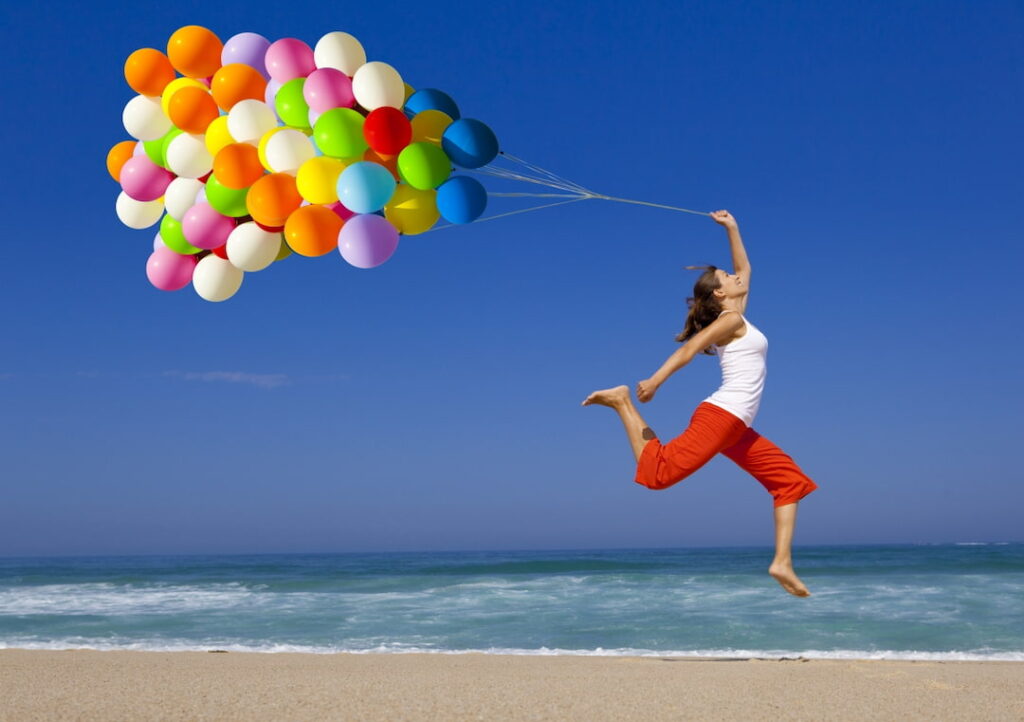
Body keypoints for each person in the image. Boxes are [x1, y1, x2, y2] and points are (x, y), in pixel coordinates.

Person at [582, 210, 818, 597]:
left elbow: (745, 266)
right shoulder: (729, 319)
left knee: (790, 482)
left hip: (737, 427)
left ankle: (782, 562)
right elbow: (691, 348)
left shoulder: (738, 312)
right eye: (727, 277)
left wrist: (732, 227)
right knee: (658, 477)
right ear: (721, 294)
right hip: (721, 417)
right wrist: (655, 381)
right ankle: (623, 402)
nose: (736, 275)